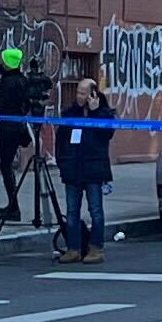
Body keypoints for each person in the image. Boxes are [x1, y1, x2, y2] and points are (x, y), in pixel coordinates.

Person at [52, 74, 116, 262]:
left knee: (95, 210)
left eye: (83, 93)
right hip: (73, 168)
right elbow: (61, 139)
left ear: (93, 94)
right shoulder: (71, 113)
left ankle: (96, 248)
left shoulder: (104, 114)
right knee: (72, 211)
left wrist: (95, 112)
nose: (79, 96)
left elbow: (106, 136)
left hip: (94, 169)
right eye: (78, 93)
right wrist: (62, 162)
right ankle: (73, 248)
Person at [0, 46, 44, 222]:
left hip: (9, 128)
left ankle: (14, 207)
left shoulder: (8, 82)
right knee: (7, 166)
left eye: (2, 60)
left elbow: (5, 104)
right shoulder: (22, 80)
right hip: (17, 126)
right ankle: (12, 205)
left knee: (6, 166)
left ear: (7, 63)